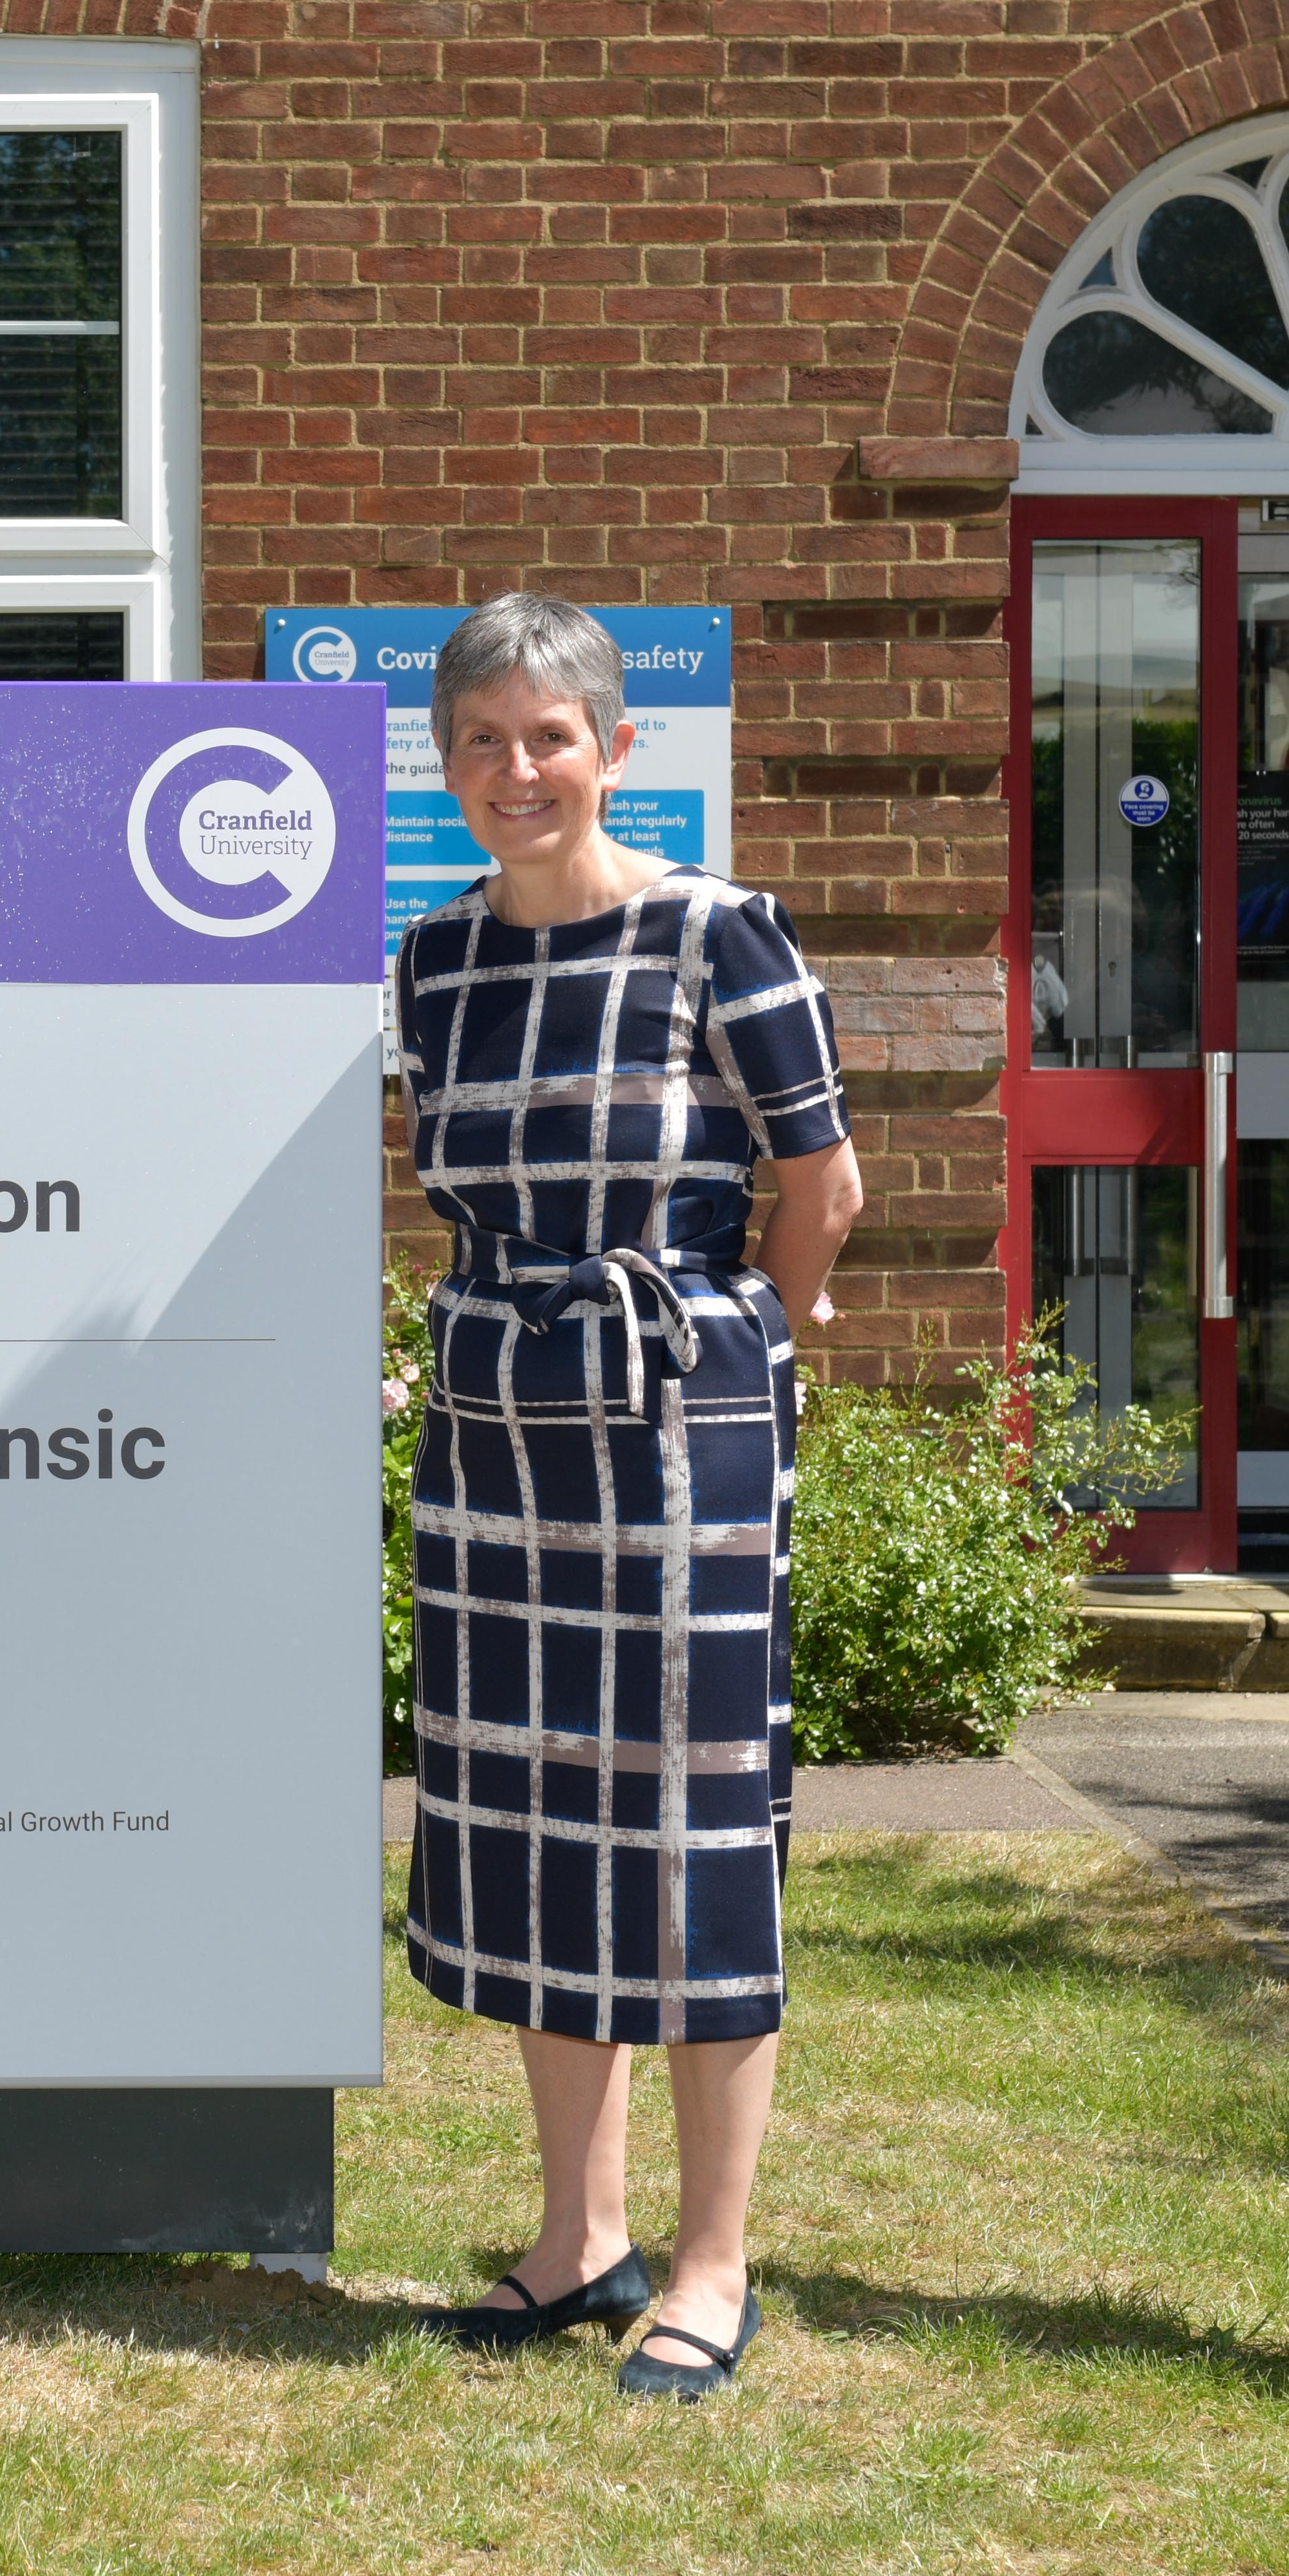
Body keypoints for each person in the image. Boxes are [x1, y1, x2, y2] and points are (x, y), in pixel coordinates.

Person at [394, 593, 864, 2395]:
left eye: (549, 736)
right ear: (448, 767)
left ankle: (715, 2258)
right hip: (501, 1423)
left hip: (681, 1422)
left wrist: (777, 1323)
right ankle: (578, 2235)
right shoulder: (434, 964)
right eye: (483, 744)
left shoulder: (714, 936)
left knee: (686, 1824)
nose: (519, 771)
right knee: (525, 1814)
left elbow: (821, 1174)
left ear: (615, 747)